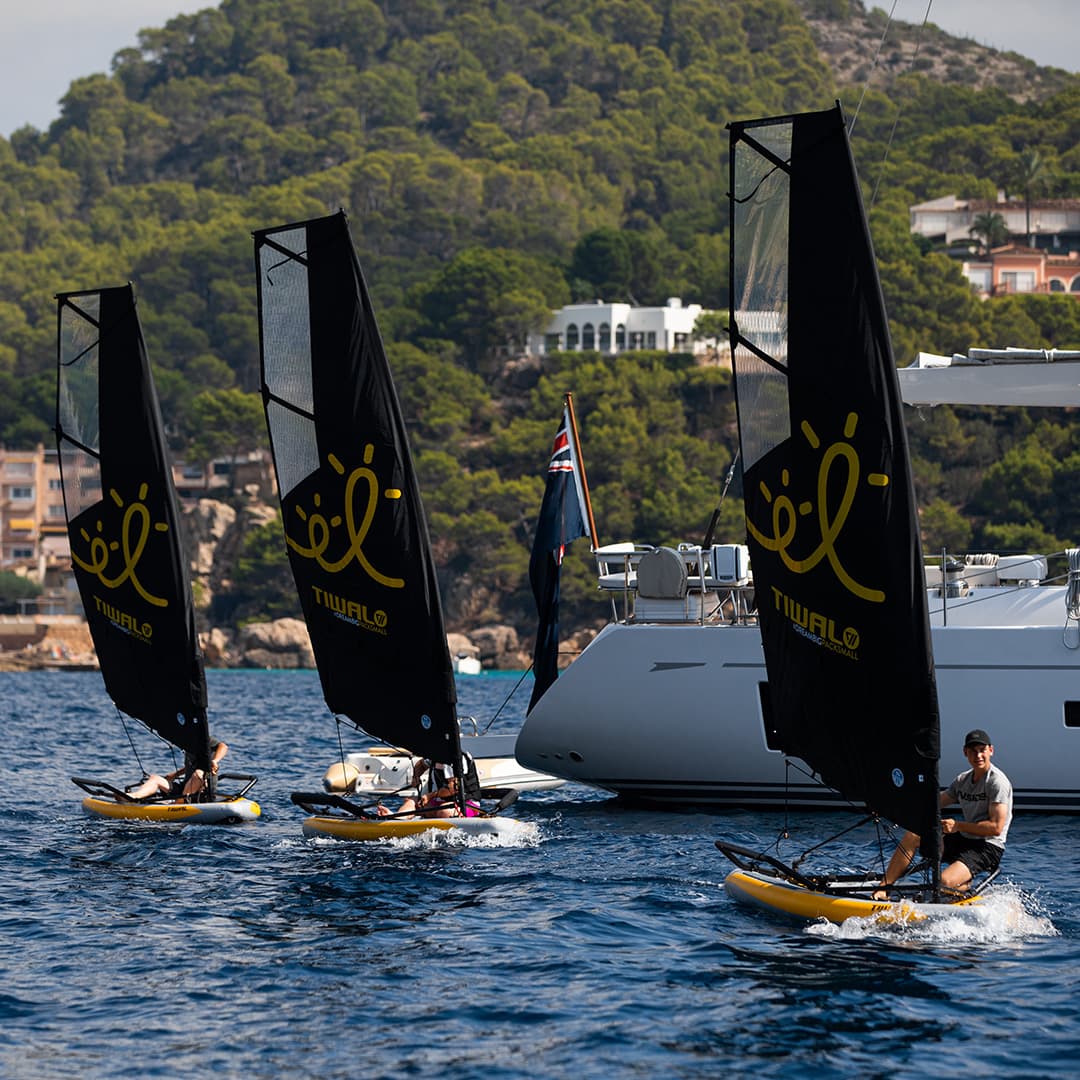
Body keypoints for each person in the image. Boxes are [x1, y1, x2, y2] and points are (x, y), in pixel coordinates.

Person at [873, 728, 1012, 899]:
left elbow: (996, 828)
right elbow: (934, 804)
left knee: (943, 883)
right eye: (972, 751)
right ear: (965, 753)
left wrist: (958, 825)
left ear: (991, 750)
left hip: (987, 847)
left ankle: (962, 887)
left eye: (982, 750)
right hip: (964, 839)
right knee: (913, 835)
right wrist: (892, 805)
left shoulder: (997, 782)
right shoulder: (962, 780)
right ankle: (884, 887)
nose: (978, 756)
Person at [124, 739, 228, 803]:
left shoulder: (202, 740)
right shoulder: (188, 746)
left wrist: (215, 760)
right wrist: (175, 774)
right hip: (185, 790)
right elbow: (191, 765)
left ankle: (179, 804)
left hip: (203, 793)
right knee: (155, 778)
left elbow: (223, 746)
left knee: (198, 774)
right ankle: (133, 797)